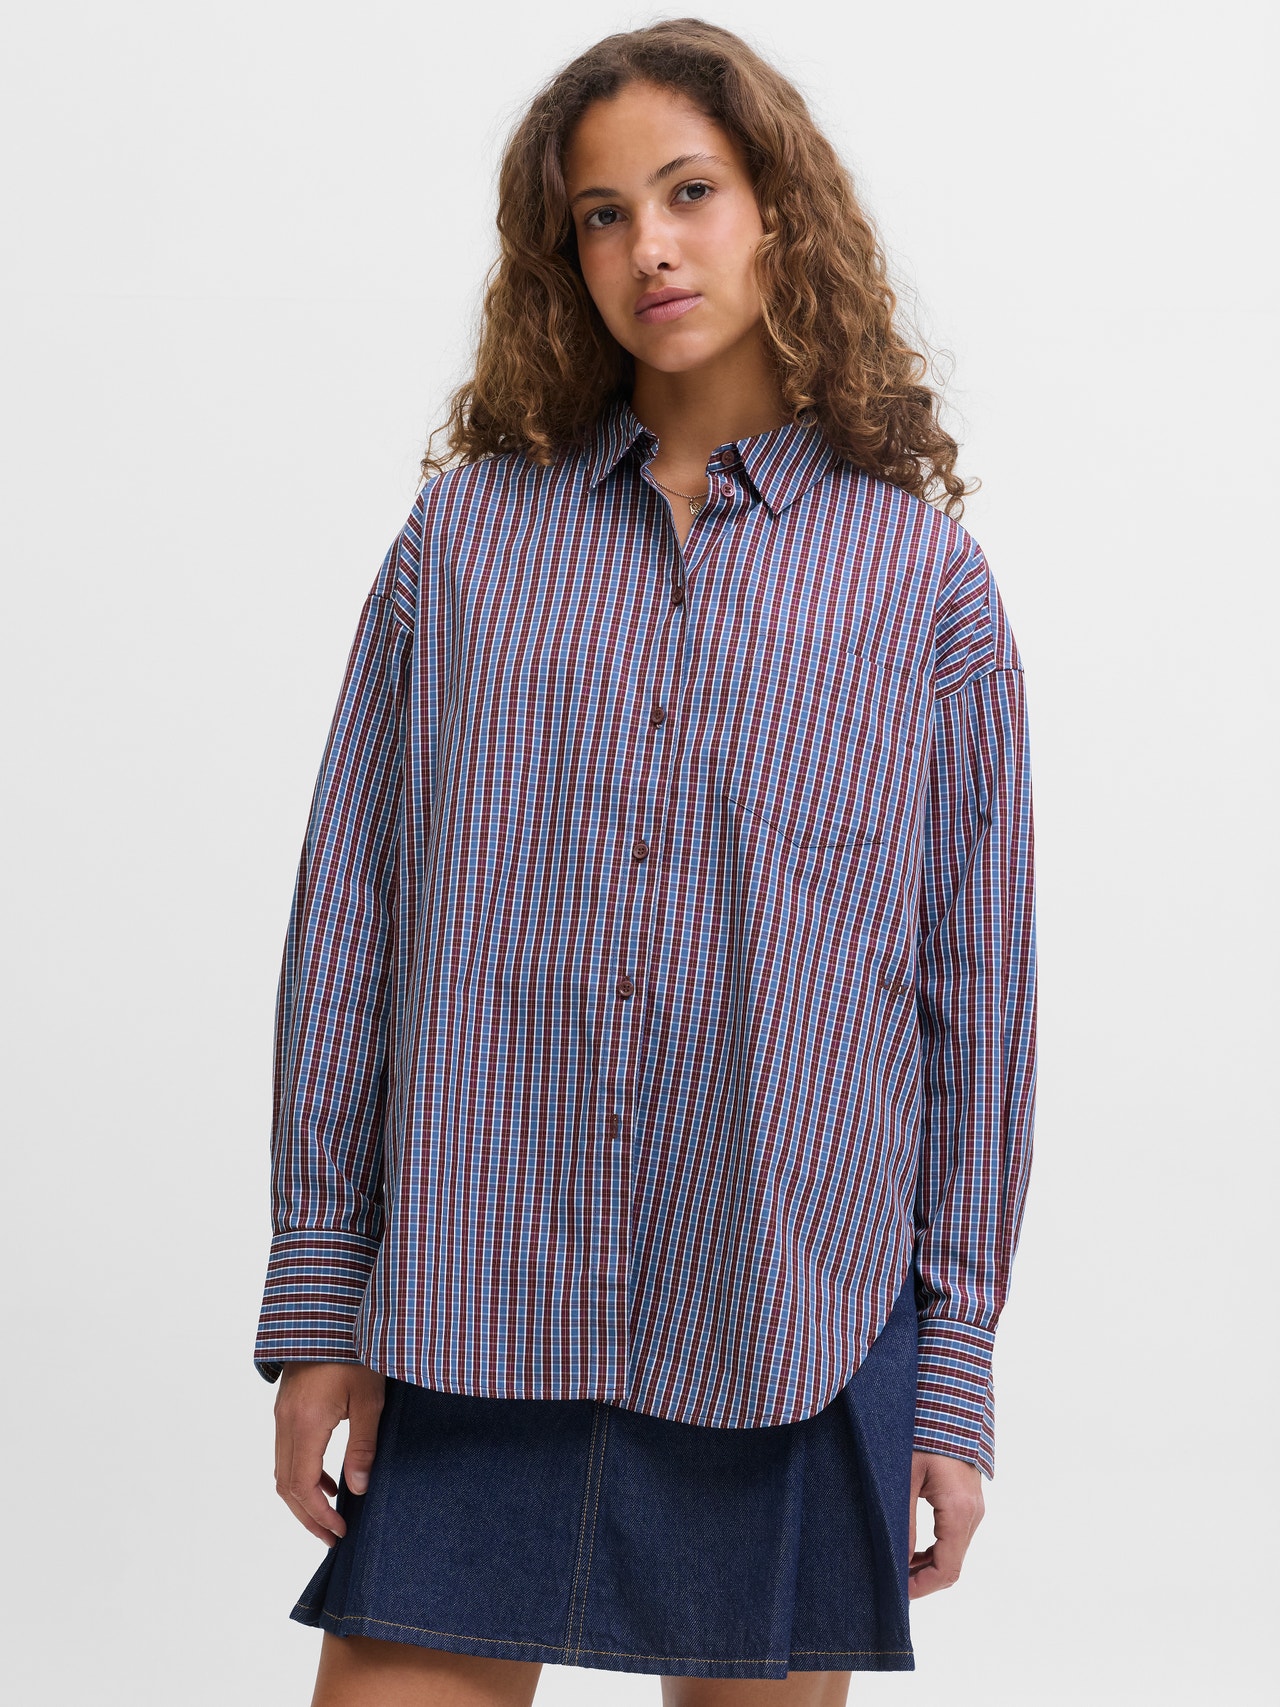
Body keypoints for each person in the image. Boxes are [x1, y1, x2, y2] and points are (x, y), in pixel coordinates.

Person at [253, 19, 1037, 1707]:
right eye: (600, 216)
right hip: (473, 1308)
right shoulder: (466, 544)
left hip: (786, 1319)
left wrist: (953, 1375)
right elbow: (350, 925)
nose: (649, 249)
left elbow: (975, 1005)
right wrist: (319, 1303)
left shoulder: (922, 588)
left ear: (779, 213)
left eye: (689, 193)